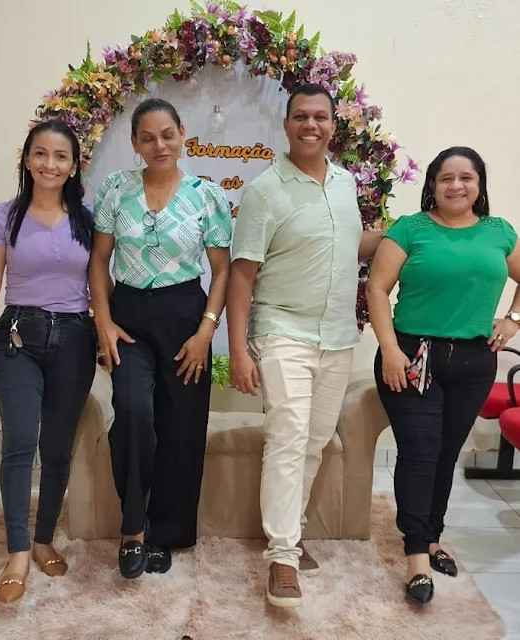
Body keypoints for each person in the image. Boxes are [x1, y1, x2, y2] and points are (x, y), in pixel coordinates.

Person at [227, 83, 384, 608]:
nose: (310, 125)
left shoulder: (345, 183)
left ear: (333, 126)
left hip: (337, 337)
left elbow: (347, 247)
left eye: (320, 117)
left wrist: (398, 234)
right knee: (289, 437)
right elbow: (242, 274)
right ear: (286, 124)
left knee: (315, 442)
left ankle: (289, 534)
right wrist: (239, 349)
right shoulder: (264, 190)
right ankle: (282, 557)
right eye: (300, 116)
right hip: (281, 332)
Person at [366, 146, 520, 605]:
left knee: (445, 453)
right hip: (413, 356)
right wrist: (390, 350)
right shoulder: (410, 228)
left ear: (479, 185)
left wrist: (513, 318)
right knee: (419, 450)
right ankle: (416, 555)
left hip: (474, 361)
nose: (456, 185)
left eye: (466, 177)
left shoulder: (498, 232)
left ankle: (432, 536)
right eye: (446, 178)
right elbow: (377, 288)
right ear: (432, 184)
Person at [88, 98, 231, 579]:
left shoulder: (206, 196)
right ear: (135, 143)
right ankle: (133, 528)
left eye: (167, 135)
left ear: (182, 134)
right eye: (147, 138)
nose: (159, 145)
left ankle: (167, 533)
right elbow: (98, 260)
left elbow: (222, 270)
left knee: (181, 426)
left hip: (186, 314)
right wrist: (103, 321)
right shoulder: (115, 189)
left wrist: (206, 330)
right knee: (132, 411)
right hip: (128, 314)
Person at [0, 120, 96, 604]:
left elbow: (100, 284)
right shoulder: (5, 216)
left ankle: (43, 540)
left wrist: (106, 333)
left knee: (56, 447)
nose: (49, 164)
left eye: (61, 156)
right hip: (18, 338)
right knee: (20, 441)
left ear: (74, 166)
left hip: (75, 339)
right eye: (40, 154)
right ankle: (17, 551)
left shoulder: (88, 219)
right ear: (26, 159)